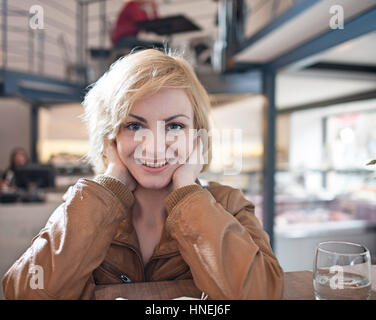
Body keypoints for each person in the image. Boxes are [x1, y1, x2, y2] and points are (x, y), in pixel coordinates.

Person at [2, 49, 284, 300]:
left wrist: (187, 191)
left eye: (174, 126)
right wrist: (112, 184)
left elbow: (262, 294)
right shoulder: (88, 207)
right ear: (110, 136)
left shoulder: (229, 204)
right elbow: (25, 294)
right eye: (134, 126)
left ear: (197, 136)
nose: (155, 145)